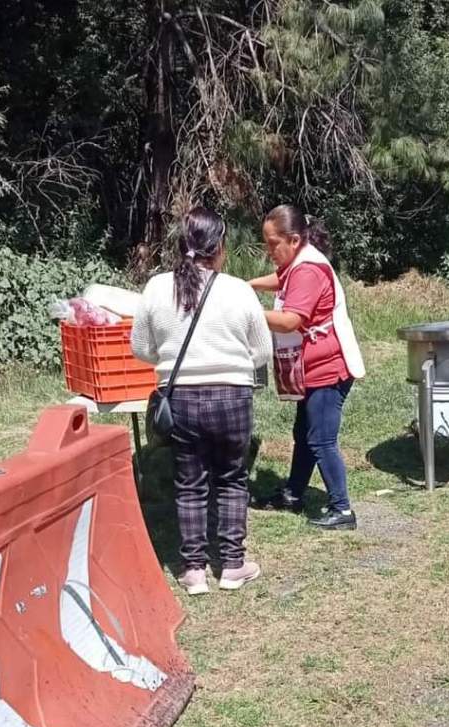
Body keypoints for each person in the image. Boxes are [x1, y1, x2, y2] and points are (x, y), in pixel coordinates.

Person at [131, 207, 272, 594]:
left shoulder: (157, 288)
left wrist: (174, 359)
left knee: (189, 482)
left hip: (181, 400)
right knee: (231, 479)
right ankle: (232, 566)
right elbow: (261, 352)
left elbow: (142, 347)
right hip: (232, 395)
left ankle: (192, 570)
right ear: (220, 246)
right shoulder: (239, 290)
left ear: (182, 244)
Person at [248, 205, 366, 530]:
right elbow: (280, 279)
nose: (269, 250)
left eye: (273, 243)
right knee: (304, 434)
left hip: (328, 368)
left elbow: (289, 321)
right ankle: (293, 494)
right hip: (312, 367)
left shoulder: (309, 270)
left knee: (321, 439)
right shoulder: (298, 262)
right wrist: (247, 286)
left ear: (295, 239)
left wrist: (246, 308)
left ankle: (342, 509)